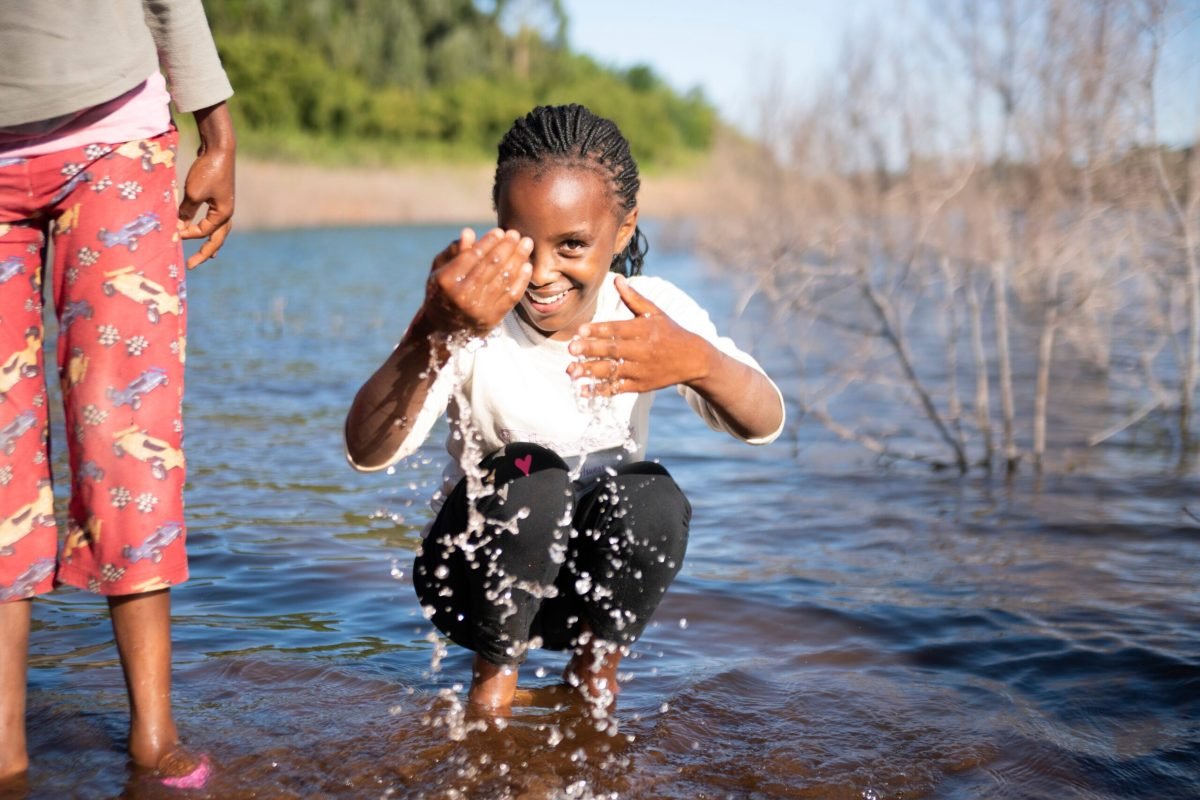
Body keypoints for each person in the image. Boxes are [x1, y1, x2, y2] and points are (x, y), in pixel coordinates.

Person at [345, 104, 784, 713]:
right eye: (524, 244)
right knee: (536, 476)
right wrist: (433, 332)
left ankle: (592, 682)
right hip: (472, 585)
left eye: (573, 244)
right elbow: (367, 452)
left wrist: (699, 362)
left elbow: (766, 423)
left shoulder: (645, 308)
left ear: (623, 231)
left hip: (577, 591)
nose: (542, 273)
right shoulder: (470, 319)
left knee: (652, 497)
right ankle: (491, 694)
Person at [0, 0, 235, 788]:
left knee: (123, 433)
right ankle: (3, 744)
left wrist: (218, 130)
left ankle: (152, 731)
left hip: (114, 141)